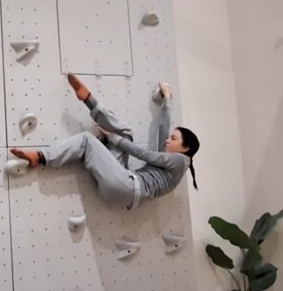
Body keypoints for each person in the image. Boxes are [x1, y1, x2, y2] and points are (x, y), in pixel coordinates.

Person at [11, 74, 199, 210]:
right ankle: (89, 100)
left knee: (88, 140)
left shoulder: (180, 162)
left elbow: (144, 154)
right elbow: (163, 129)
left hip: (126, 187)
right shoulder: (171, 162)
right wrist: (167, 98)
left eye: (173, 139)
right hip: (124, 186)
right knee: (126, 133)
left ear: (185, 148)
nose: (167, 140)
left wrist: (110, 137)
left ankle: (40, 157)